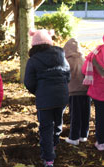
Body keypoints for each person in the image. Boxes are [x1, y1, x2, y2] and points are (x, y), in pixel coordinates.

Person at [24, 29, 70, 167]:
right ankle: (54, 143)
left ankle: (48, 158)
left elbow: (29, 81)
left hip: (44, 98)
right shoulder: (61, 54)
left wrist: (37, 91)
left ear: (34, 45)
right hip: (62, 96)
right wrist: (63, 86)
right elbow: (68, 74)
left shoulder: (33, 60)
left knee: (45, 128)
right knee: (58, 121)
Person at [63, 38, 91, 146]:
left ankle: (74, 137)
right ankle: (83, 135)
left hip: (74, 92)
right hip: (86, 91)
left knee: (75, 115)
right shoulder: (84, 60)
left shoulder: (67, 61)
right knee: (85, 114)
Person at [82, 35, 104, 151]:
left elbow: (84, 69)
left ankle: (101, 142)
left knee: (100, 117)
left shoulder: (96, 52)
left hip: (98, 91)